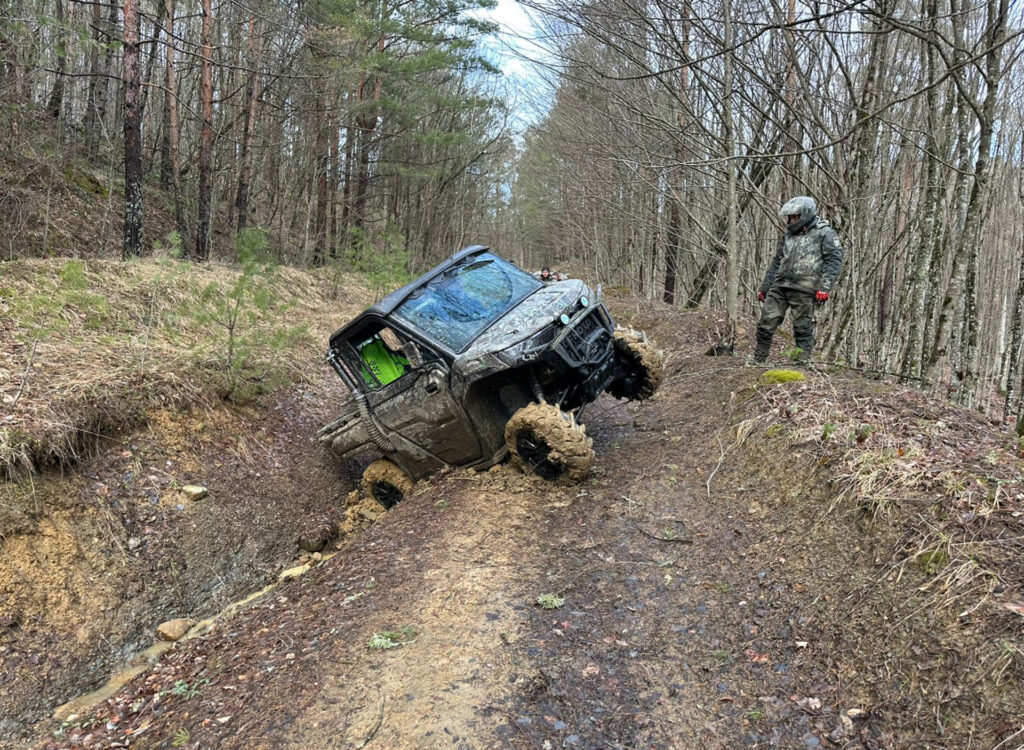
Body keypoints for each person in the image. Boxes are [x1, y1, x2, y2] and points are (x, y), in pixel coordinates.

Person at [752, 196, 843, 364]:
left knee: (802, 328)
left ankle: (802, 363)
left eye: (796, 216)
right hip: (780, 285)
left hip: (805, 287)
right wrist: (765, 286)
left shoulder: (825, 232)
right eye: (790, 217)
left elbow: (834, 261)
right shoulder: (788, 236)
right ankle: (758, 360)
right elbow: (777, 261)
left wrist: (825, 286)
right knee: (766, 322)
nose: (792, 220)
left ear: (805, 214)